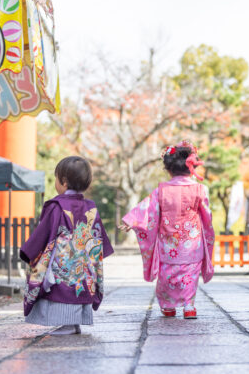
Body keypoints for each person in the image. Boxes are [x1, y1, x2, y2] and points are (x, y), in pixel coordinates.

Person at [120, 141, 215, 319]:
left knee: (167, 275)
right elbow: (207, 216)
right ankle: (189, 306)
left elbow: (147, 210)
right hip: (192, 243)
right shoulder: (200, 189)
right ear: (192, 167)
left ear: (168, 169)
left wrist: (132, 221)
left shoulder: (161, 191)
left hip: (168, 243)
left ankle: (168, 306)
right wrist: (208, 233)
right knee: (190, 274)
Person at [20, 156, 114, 335]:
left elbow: (43, 232)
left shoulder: (56, 206)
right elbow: (98, 237)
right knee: (80, 286)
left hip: (63, 260)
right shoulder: (91, 207)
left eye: (56, 178)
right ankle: (74, 322)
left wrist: (29, 251)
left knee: (60, 287)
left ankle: (68, 324)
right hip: (85, 262)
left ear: (63, 182)